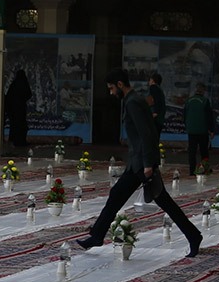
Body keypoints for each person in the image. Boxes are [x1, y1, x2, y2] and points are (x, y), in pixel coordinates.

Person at [76, 69, 202, 258]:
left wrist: (148, 164)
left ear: (120, 84)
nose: (111, 92)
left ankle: (193, 236)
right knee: (121, 195)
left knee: (160, 200)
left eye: (112, 88)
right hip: (138, 163)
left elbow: (146, 134)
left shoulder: (133, 102)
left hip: (142, 164)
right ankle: (97, 236)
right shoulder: (133, 99)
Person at [183, 83, 212, 171]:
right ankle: (205, 169)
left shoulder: (188, 101)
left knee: (192, 151)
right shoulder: (205, 101)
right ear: (203, 91)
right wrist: (211, 130)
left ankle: (192, 170)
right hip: (202, 130)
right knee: (204, 151)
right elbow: (209, 117)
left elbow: (184, 115)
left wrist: (187, 126)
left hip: (191, 130)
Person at [5, 69, 31, 150]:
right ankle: (21, 141)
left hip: (13, 109)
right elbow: (29, 94)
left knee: (15, 125)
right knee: (21, 125)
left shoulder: (14, 84)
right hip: (21, 109)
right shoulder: (24, 84)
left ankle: (14, 140)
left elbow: (8, 97)